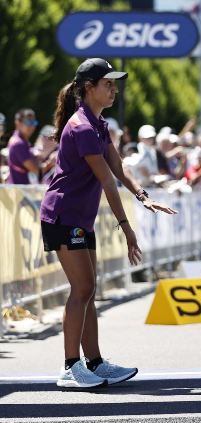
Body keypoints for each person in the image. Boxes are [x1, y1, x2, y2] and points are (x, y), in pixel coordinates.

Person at [39, 58, 178, 389]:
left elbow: (119, 166)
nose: (114, 89)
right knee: (82, 289)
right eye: (108, 84)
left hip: (78, 218)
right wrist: (127, 228)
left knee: (88, 290)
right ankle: (70, 367)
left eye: (115, 84)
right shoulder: (82, 127)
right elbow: (107, 181)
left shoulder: (98, 123)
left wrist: (143, 196)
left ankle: (95, 362)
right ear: (89, 88)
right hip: (63, 216)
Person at [7, 108, 40, 184]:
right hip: (19, 189)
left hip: (20, 188)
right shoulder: (18, 143)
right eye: (28, 122)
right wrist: (50, 164)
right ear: (18, 123)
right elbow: (35, 169)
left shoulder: (21, 141)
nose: (32, 126)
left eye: (34, 122)